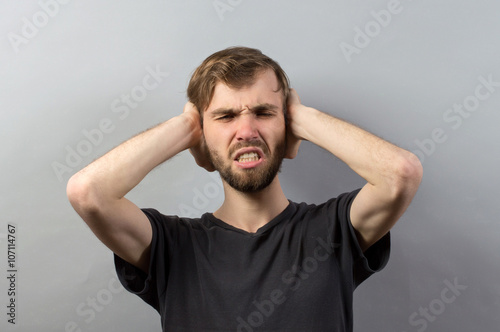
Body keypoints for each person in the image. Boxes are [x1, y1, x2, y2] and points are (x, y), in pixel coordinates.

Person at [67, 46, 422, 331]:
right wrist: (187, 128)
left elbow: (401, 174)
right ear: (201, 135)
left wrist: (302, 120)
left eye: (265, 113)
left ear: (288, 127)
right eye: (225, 116)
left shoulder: (334, 231)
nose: (247, 130)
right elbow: (88, 192)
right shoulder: (172, 246)